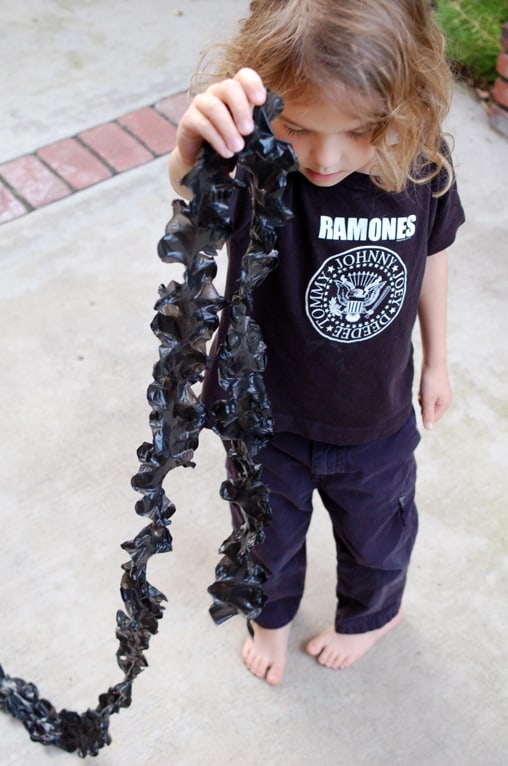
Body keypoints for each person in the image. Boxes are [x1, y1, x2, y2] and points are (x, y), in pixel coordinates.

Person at [169, 0, 465, 685]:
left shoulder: (417, 159)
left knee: (378, 536)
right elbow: (196, 206)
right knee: (263, 538)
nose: (325, 157)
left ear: (407, 103)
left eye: (360, 130)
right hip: (264, 417)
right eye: (298, 127)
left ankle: (372, 614)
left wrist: (439, 360)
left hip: (375, 419)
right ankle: (269, 619)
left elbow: (433, 257)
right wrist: (190, 157)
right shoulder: (257, 164)